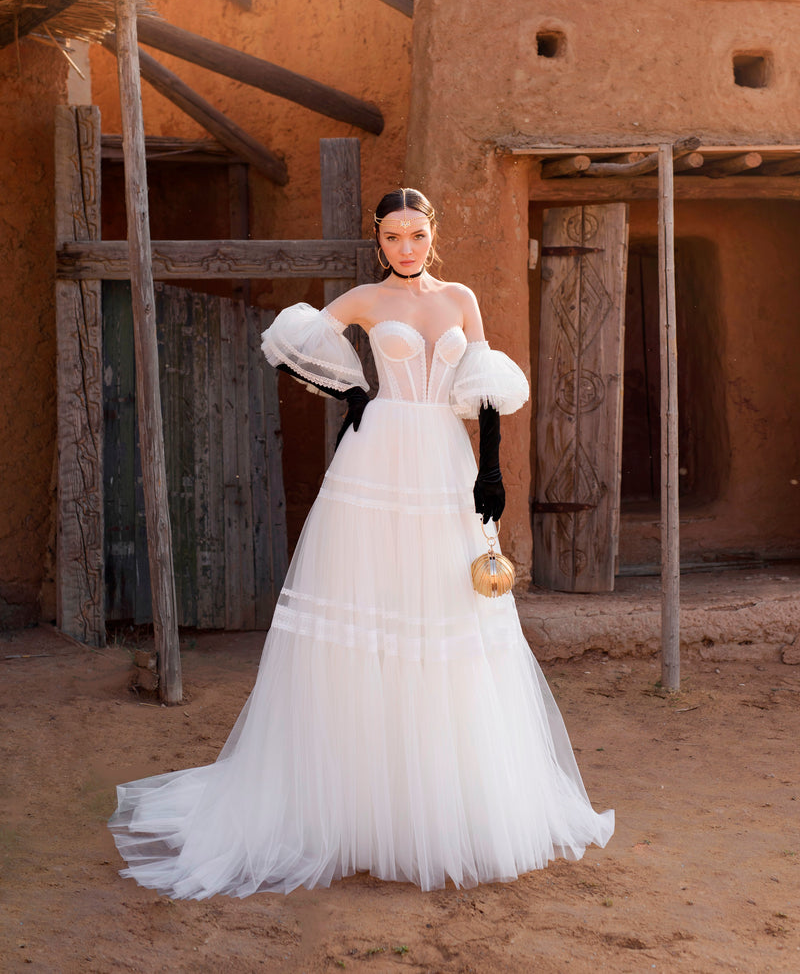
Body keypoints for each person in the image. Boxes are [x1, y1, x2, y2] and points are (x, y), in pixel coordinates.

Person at [109, 188, 613, 898]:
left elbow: (484, 385)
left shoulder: (462, 298)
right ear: (379, 240)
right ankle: (356, 806)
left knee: (447, 610)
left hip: (444, 459)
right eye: (392, 237)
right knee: (369, 607)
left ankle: (444, 800)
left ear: (432, 233)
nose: (404, 248)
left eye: (415, 235)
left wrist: (492, 468)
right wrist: (351, 394)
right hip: (376, 458)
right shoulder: (362, 301)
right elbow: (290, 346)